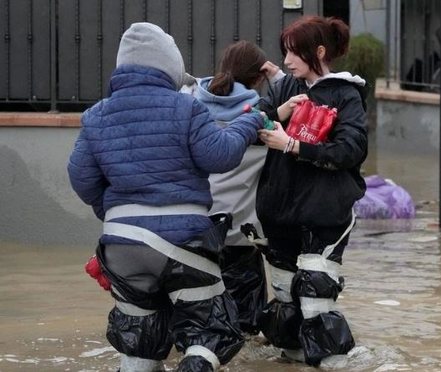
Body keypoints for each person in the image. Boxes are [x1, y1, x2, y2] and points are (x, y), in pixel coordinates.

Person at [67, 22, 264, 372]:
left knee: (140, 341)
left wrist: (115, 212)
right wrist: (248, 124)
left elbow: (81, 179)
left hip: (122, 245)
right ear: (170, 65)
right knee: (211, 331)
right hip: (182, 242)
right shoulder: (185, 108)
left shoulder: (96, 115)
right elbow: (219, 156)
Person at [255, 15, 369, 366]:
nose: (286, 61)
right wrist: (277, 112)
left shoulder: (346, 94)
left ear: (318, 52)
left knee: (316, 295)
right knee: (285, 296)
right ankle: (292, 355)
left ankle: (336, 361)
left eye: (294, 53)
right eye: (285, 52)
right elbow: (250, 124)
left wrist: (292, 145)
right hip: (279, 211)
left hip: (326, 210)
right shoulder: (284, 88)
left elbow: (352, 150)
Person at [180, 40, 284, 336]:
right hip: (241, 237)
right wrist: (277, 78)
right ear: (258, 76)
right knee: (246, 331)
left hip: (195, 231)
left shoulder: (190, 108)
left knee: (198, 325)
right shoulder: (261, 120)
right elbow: (308, 105)